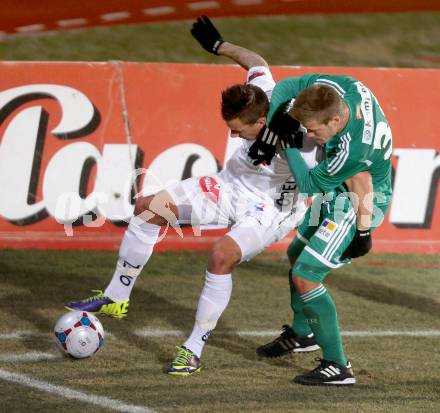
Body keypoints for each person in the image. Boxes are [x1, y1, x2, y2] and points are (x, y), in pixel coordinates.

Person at [66, 16, 323, 375]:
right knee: (147, 207)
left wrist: (290, 146)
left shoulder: (303, 133)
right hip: (229, 184)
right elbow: (257, 62)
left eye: (238, 131)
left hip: (270, 209)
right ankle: (116, 297)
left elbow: (324, 164)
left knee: (221, 256)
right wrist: (220, 46)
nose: (233, 137)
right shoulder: (261, 94)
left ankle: (193, 347)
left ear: (261, 123)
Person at [252, 68, 393, 386]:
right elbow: (288, 85)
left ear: (334, 121)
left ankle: (338, 366)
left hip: (361, 204)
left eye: (313, 130)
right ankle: (304, 334)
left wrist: (284, 141)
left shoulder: (352, 148)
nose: (310, 136)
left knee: (306, 274)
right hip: (346, 188)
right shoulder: (343, 88)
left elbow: (309, 182)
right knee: (296, 250)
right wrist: (280, 122)